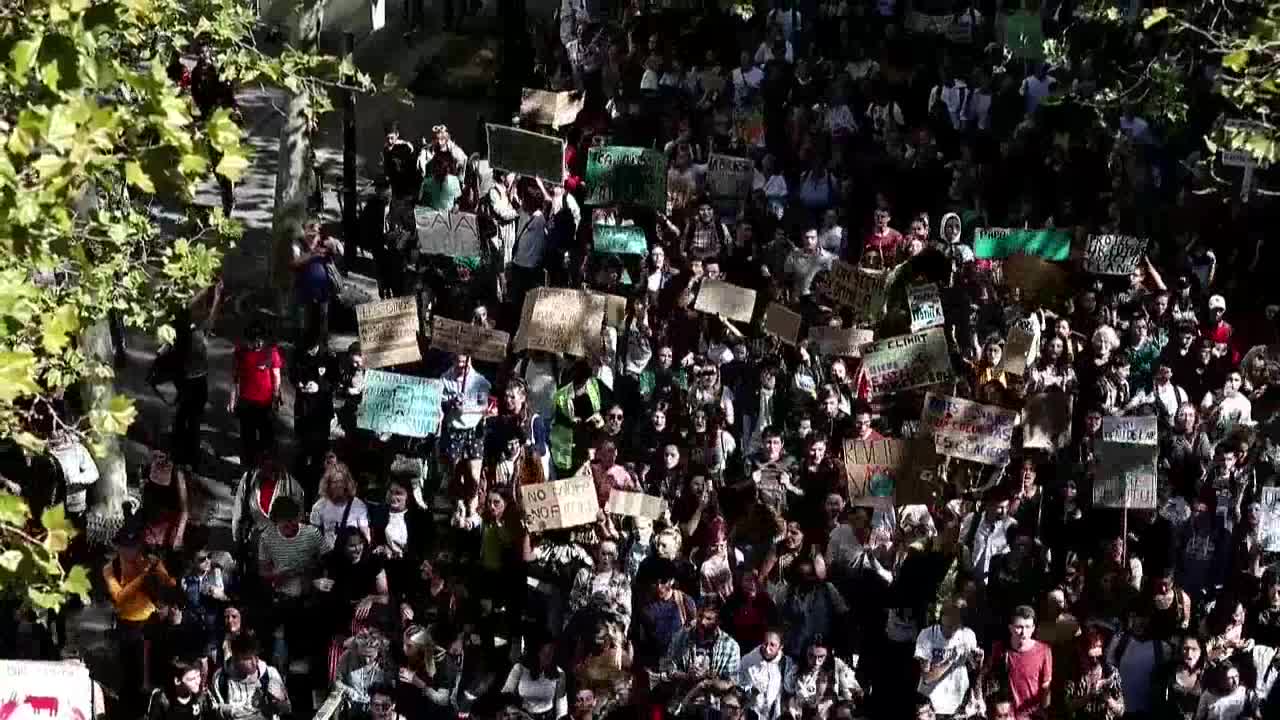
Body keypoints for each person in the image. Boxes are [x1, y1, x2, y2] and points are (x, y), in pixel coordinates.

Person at [915, 597, 981, 719]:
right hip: (931, 701)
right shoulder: (927, 635)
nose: (952, 630)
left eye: (955, 626)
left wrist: (977, 659)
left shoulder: (968, 635)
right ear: (942, 618)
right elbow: (927, 677)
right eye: (948, 626)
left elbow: (975, 670)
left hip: (958, 700)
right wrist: (950, 660)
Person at [982, 605, 1052, 720]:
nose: (1023, 632)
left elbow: (1046, 685)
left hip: (1030, 715)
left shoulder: (1044, 650)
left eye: (1028, 627)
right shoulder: (999, 648)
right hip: (1003, 715)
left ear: (1034, 628)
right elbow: (985, 675)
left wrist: (1044, 712)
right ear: (1010, 627)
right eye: (1019, 627)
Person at [228, 322, 283, 467]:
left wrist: (276, 397)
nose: (257, 343)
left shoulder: (271, 352)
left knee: (267, 440)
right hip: (246, 403)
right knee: (247, 440)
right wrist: (232, 399)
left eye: (260, 340)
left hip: (265, 403)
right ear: (247, 340)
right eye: (254, 340)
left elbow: (276, 375)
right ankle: (248, 470)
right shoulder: (240, 352)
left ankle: (267, 471)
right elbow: (235, 376)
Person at [210, 632, 291, 720]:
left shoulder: (270, 674)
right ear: (235, 659)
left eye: (256, 656)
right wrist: (232, 711)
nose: (254, 661)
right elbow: (215, 710)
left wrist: (279, 702)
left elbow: (287, 709)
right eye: (247, 658)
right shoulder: (221, 678)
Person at [147, 660, 214, 720]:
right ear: (177, 681)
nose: (198, 682)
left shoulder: (201, 696)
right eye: (192, 679)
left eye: (198, 675)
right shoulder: (162, 699)